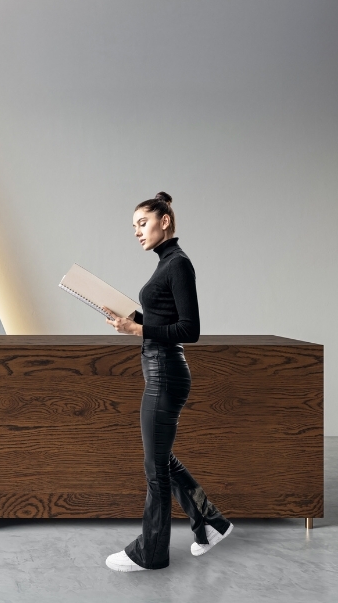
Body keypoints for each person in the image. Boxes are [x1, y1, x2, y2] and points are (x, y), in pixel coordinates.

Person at [102, 192, 233, 572]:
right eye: (133, 227)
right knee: (162, 460)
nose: (137, 232)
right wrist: (133, 319)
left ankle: (151, 552)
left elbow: (189, 330)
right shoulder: (167, 263)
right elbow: (163, 319)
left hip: (165, 373)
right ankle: (210, 523)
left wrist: (139, 328)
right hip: (160, 370)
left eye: (142, 223)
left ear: (165, 221)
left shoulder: (178, 264)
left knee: (155, 468)